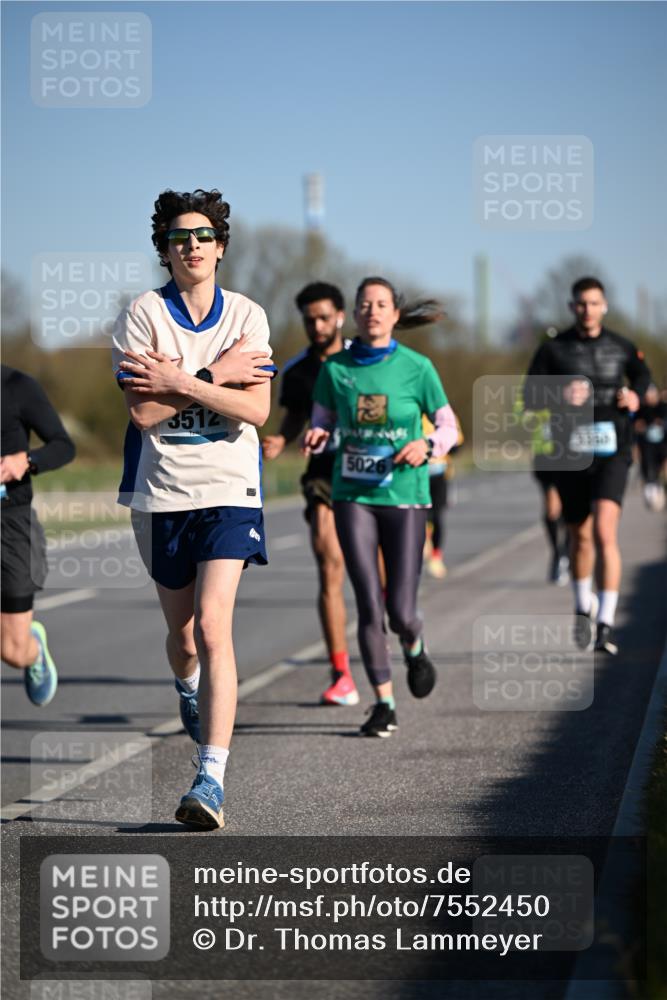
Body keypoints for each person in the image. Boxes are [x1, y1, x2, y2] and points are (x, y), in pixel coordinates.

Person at [112, 188, 276, 830]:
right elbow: (146, 414)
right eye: (179, 237)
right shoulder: (142, 316)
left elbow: (256, 411)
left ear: (221, 246)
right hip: (161, 495)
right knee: (182, 639)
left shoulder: (249, 317)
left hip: (230, 490)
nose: (192, 246)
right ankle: (187, 688)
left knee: (213, 628)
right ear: (165, 248)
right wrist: (212, 376)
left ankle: (210, 777)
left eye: (203, 235)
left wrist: (182, 377)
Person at [304, 277, 458, 737]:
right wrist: (318, 436)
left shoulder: (418, 368)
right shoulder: (335, 370)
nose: (372, 311)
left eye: (381, 304)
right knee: (369, 604)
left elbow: (450, 426)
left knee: (400, 610)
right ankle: (384, 703)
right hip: (354, 496)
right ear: (355, 315)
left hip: (406, 496)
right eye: (364, 304)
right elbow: (323, 423)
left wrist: (427, 444)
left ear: (394, 315)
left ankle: (414, 644)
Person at [524, 277, 652, 655]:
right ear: (571, 307)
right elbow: (529, 395)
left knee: (605, 534)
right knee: (579, 535)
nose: (587, 310)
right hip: (570, 451)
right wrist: (558, 393)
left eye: (594, 303)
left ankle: (606, 624)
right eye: (581, 304)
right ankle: (582, 608)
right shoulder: (553, 349)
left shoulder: (621, 346)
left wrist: (635, 396)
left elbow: (644, 379)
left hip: (613, 450)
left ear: (605, 306)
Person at [262, 282, 359, 705]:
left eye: (324, 317)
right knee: (329, 562)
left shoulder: (364, 359)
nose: (316, 325)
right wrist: (281, 440)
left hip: (371, 473)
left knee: (375, 572)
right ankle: (341, 672)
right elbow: (294, 416)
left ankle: (394, 626)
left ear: (340, 316)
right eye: (309, 319)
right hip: (323, 472)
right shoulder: (298, 370)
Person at [1, 365, 75, 705]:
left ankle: (32, 651)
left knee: (13, 651)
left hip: (10, 524)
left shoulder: (17, 386)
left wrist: (26, 461)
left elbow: (63, 446)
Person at [422, 411, 463, 580]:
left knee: (437, 516)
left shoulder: (443, 412)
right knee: (420, 516)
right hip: (414, 475)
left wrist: (437, 444)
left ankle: (436, 556)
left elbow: (457, 443)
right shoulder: (408, 408)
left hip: (439, 474)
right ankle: (424, 542)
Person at [633, 383, 666, 512]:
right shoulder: (641, 410)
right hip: (647, 447)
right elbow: (635, 428)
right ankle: (654, 494)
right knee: (649, 473)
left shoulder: (663, 407)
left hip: (663, 446)